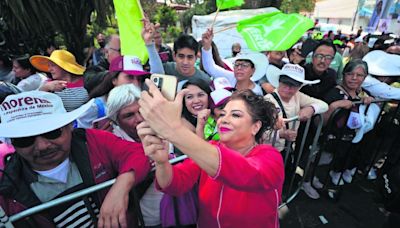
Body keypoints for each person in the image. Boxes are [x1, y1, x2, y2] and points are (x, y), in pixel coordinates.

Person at [137, 80, 284, 228]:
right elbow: (174, 184)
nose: (223, 120)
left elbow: (246, 174)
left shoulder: (270, 157)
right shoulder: (210, 148)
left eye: (236, 115)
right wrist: (162, 162)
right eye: (223, 114)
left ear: (255, 127)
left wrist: (173, 130)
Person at [0, 91, 150, 227]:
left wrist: (121, 187)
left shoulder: (91, 140)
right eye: (25, 140)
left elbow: (137, 153)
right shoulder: (7, 186)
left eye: (52, 132)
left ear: (70, 126)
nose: (42, 146)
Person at [264, 64, 328, 199]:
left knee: (281, 178)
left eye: (293, 85)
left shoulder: (298, 96)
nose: (288, 88)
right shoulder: (267, 102)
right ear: (279, 82)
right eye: (285, 83)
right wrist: (281, 134)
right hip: (268, 152)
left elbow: (324, 105)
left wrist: (311, 109)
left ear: (299, 87)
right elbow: (259, 133)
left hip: (286, 150)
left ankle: (277, 198)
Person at [106, 84, 163, 227]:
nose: (139, 119)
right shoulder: (113, 146)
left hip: (175, 214)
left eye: (141, 111)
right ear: (115, 121)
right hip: (145, 221)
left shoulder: (162, 129)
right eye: (129, 115)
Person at [322, 60, 375, 185]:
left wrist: (369, 100)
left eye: (360, 75)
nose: (354, 78)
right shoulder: (334, 93)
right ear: (344, 74)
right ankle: (333, 173)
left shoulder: (361, 92)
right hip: (335, 138)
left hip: (355, 136)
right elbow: (321, 122)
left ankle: (344, 170)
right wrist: (334, 106)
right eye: (350, 74)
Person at [142, 19, 211, 88]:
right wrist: (149, 43)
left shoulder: (205, 80)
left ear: (196, 58)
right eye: (181, 56)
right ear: (174, 56)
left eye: (190, 57)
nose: (185, 62)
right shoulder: (164, 69)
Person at [201, 28, 267, 95]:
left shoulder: (257, 92)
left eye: (244, 65)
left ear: (253, 70)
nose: (239, 68)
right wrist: (207, 46)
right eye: (237, 64)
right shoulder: (231, 77)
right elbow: (210, 68)